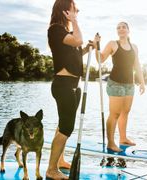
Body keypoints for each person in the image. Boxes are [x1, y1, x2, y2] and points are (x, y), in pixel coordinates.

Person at [46, 0, 93, 179]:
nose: (78, 11)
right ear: (66, 10)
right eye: (75, 9)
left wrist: (88, 48)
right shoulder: (55, 29)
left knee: (62, 125)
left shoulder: (65, 32)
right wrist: (75, 21)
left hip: (73, 86)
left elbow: (75, 52)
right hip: (63, 85)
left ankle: (59, 161)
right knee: (67, 127)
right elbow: (77, 40)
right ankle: (51, 170)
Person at [95, 22, 145, 152]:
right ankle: (111, 143)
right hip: (115, 83)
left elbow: (137, 65)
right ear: (117, 31)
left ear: (128, 30)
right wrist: (96, 46)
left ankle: (123, 138)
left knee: (125, 112)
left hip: (130, 84)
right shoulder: (113, 44)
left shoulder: (134, 47)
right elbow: (100, 59)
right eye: (118, 27)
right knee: (115, 114)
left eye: (124, 27)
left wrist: (142, 81)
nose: (121, 29)